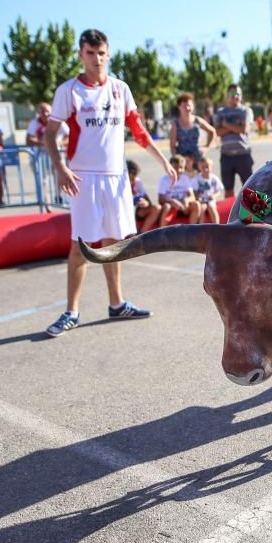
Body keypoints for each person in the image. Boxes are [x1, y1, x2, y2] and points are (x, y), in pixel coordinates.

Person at [43, 28, 176, 338]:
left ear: (108, 53)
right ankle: (71, 311)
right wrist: (60, 168)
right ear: (81, 55)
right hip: (83, 178)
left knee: (113, 243)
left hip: (116, 178)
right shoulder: (69, 91)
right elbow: (50, 133)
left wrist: (163, 160)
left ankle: (116, 304)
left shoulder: (120, 88)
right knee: (81, 245)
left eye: (101, 53)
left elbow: (139, 131)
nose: (97, 59)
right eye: (90, 53)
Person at [214, 84, 254, 197]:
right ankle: (231, 213)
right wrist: (236, 127)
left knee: (249, 188)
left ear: (241, 96)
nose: (235, 96)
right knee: (228, 189)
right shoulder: (220, 112)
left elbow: (244, 129)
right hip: (226, 156)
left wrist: (225, 125)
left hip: (243, 155)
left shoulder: (246, 111)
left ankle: (250, 214)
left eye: (238, 94)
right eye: (232, 94)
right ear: (227, 95)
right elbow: (217, 132)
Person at [169, 92, 216, 163]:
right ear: (179, 107)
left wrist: (206, 147)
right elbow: (172, 146)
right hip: (183, 161)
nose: (187, 108)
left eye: (189, 105)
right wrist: (177, 160)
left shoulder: (197, 120)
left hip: (197, 159)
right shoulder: (175, 124)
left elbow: (212, 131)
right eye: (184, 106)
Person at [158, 154, 201, 224]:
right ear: (170, 167)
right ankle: (162, 231)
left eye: (181, 168)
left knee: (196, 204)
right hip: (171, 206)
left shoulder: (185, 178)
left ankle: (192, 228)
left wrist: (186, 200)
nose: (178, 170)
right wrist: (172, 201)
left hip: (183, 207)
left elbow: (192, 196)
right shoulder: (164, 180)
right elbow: (160, 199)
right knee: (167, 206)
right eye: (175, 168)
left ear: (184, 168)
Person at [127, 159, 162, 232]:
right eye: (130, 178)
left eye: (134, 177)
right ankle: (132, 233)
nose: (133, 181)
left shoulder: (138, 181)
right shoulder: (119, 185)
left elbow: (147, 201)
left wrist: (145, 203)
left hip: (138, 210)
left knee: (157, 208)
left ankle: (141, 234)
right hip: (126, 211)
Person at [194, 156, 223, 224]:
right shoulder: (197, 178)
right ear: (199, 167)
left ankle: (216, 226)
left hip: (211, 200)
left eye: (207, 167)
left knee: (211, 206)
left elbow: (219, 191)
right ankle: (201, 226)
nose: (205, 169)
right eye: (203, 167)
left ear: (211, 167)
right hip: (202, 200)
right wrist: (198, 197)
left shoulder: (214, 178)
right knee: (202, 208)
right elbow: (194, 191)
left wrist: (214, 196)